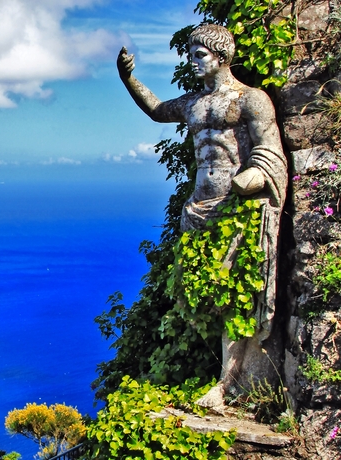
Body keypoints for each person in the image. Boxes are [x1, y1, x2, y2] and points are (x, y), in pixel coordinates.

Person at [117, 24, 288, 400]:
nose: (192, 61)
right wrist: (128, 79)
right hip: (200, 206)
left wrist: (254, 176)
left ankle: (229, 384)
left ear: (221, 56)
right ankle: (224, 373)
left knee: (236, 293)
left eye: (199, 55)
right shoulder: (195, 103)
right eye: (190, 54)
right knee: (208, 294)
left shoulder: (250, 99)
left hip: (235, 207)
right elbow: (159, 110)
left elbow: (270, 149)